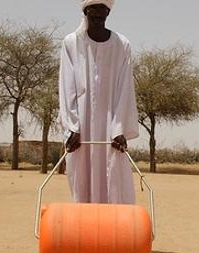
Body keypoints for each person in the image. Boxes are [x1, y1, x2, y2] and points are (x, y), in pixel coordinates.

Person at [59, 0, 139, 204]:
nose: (97, 13)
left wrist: (118, 128)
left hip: (111, 126)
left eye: (101, 9)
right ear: (85, 12)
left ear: (108, 12)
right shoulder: (71, 42)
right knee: (80, 174)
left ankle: (116, 230)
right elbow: (66, 86)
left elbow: (125, 89)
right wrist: (72, 127)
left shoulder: (122, 45)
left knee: (113, 175)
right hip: (81, 129)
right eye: (92, 9)